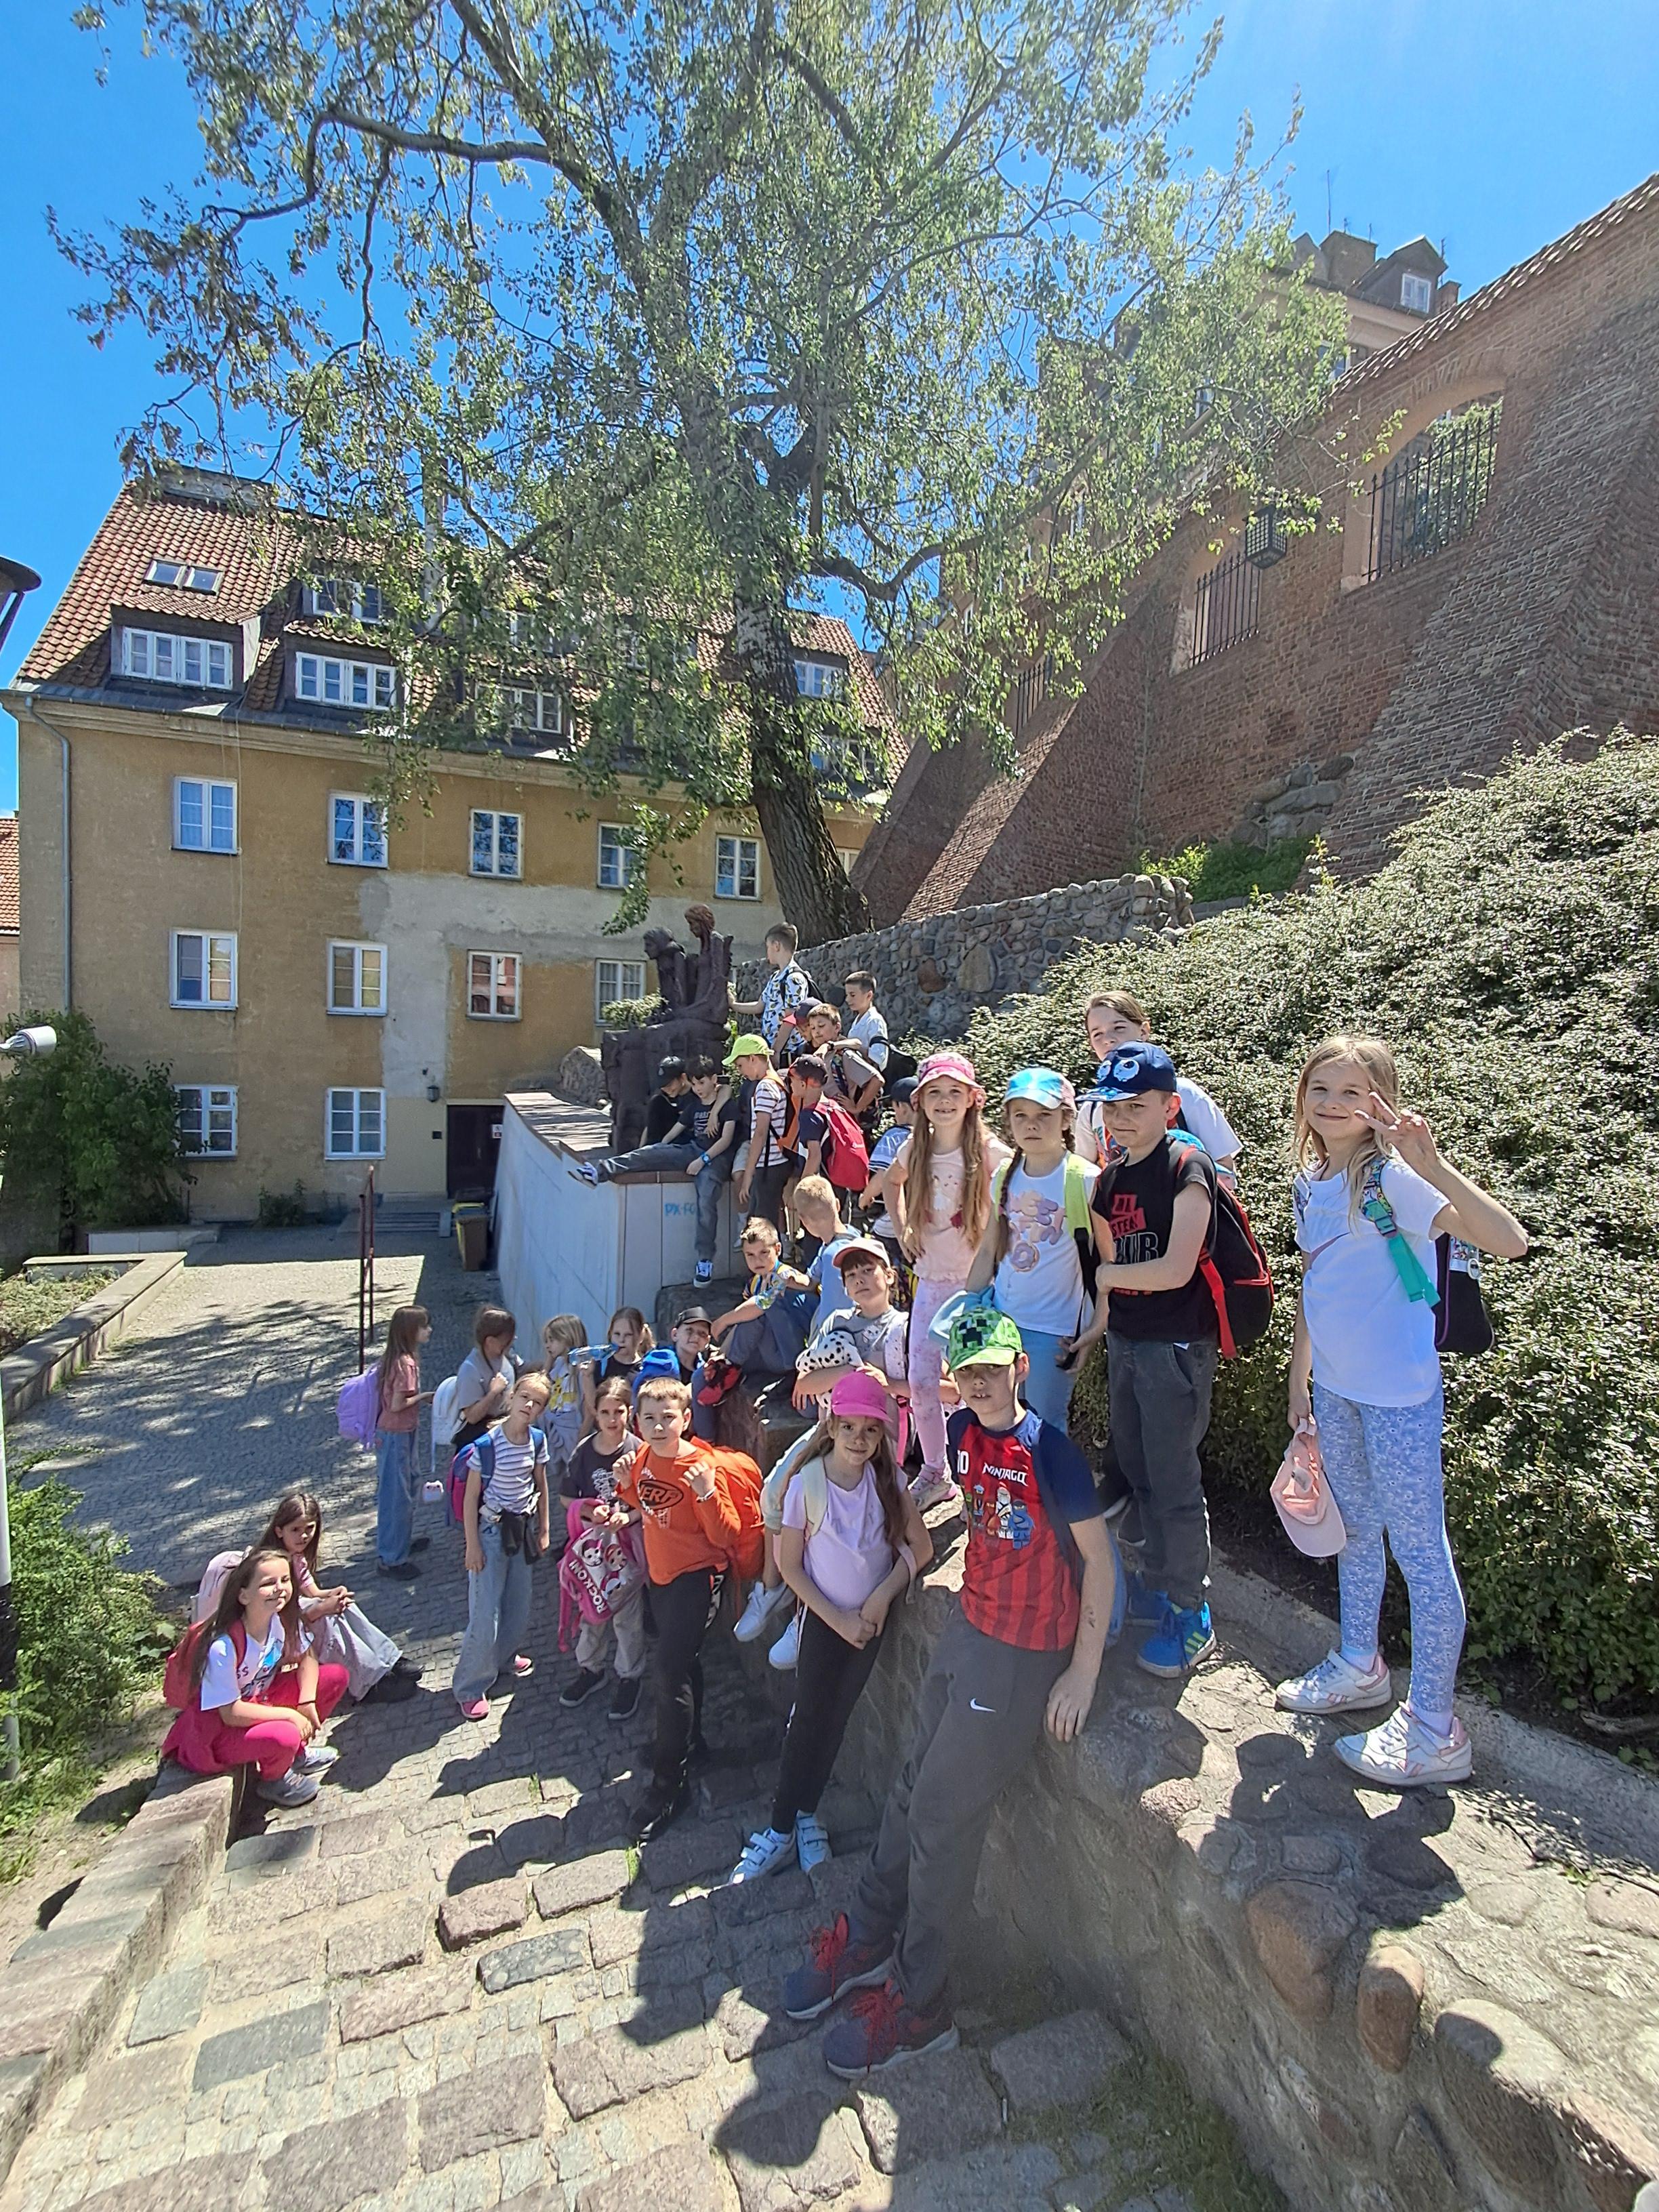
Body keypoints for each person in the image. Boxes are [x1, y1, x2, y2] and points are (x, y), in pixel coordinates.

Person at [780, 1307, 1119, 2075]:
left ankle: (922, 2000)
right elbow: (878, 1394)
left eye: (993, 1368)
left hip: (1021, 1653)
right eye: (968, 1373)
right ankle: (869, 1935)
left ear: (1020, 1368)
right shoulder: (962, 1435)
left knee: (940, 1813)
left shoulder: (1052, 1452)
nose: (981, 1383)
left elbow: (1099, 1561)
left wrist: (1083, 1671)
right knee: (910, 1784)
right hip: (969, 1627)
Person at [1275, 1036, 1526, 1786]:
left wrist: (1432, 1162)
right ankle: (1361, 1663)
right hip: (1338, 1391)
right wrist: (1299, 1375)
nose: (1331, 1104)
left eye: (1351, 1092)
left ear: (1380, 1101)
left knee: (1422, 1554)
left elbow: (1510, 1242)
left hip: (1399, 1399)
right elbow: (1316, 1281)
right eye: (1320, 1088)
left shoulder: (1397, 1179)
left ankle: (1436, 1729)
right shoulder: (1312, 1177)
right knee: (1355, 1530)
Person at [729, 1372, 932, 1884]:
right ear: (832, 1427)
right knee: (808, 1722)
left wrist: (882, 1597)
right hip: (825, 1622)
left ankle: (806, 1813)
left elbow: (921, 1547)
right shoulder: (808, 1484)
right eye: (849, 1428)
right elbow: (790, 1566)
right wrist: (836, 1618)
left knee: (836, 1719)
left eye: (870, 1430)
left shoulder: (889, 1483)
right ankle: (779, 1827)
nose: (859, 1440)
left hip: (868, 1624)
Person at [1063, 1042, 1221, 1677]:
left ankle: (1191, 1611)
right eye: (1111, 1108)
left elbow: (1176, 1268)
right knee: (1138, 1471)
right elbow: (1110, 1271)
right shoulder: (1108, 1180)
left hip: (1176, 1347)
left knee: (1175, 1481)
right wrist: (1094, 1334)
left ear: (1169, 1107)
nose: (1121, 1119)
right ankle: (1159, 1583)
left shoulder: (1188, 1165)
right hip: (1128, 1343)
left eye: (1136, 1106)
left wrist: (1108, 1280)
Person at [612, 1375, 743, 1840]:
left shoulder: (699, 1466)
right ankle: (693, 1743)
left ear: (686, 1420)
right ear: (637, 1422)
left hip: (696, 1579)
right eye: (649, 1418)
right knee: (683, 1665)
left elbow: (726, 1535)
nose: (658, 1426)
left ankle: (669, 1786)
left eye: (668, 1418)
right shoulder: (644, 1459)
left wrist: (706, 1492)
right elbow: (645, 1503)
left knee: (668, 1675)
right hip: (662, 1579)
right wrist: (623, 1487)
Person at [886, 1053, 1010, 1511]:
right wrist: (903, 1229)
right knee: (921, 1380)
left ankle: (984, 1468)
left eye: (955, 1092)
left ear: (972, 1099)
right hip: (932, 1282)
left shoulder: (987, 1150)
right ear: (920, 1100)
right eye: (935, 1092)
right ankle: (937, 1471)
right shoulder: (915, 1148)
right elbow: (891, 1184)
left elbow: (1024, 1179)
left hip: (978, 1288)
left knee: (978, 1382)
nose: (945, 1101)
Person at [163, 1549, 348, 1808]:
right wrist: (290, 1715)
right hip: (220, 1730)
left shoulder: (279, 1620)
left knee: (335, 1677)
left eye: (285, 1580)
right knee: (285, 1733)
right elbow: (231, 1713)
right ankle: (275, 1779)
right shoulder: (223, 1646)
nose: (279, 1589)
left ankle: (294, 1754)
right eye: (268, 1583)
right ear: (243, 1595)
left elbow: (307, 1657)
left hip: (259, 1700)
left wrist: (306, 1703)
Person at [965, 1069, 1097, 1433]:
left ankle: (1050, 1475)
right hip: (1000, 1323)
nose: (1031, 1125)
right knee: (997, 1419)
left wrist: (1093, 1328)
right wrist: (966, 1309)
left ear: (1066, 1120)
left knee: (1045, 1426)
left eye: (1044, 1115)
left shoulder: (1085, 1180)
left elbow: (1103, 1261)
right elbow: (989, 1249)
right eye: (1020, 1115)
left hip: (1054, 1330)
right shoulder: (1004, 1175)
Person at [452, 1371, 553, 1720]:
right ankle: (470, 1686)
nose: (529, 1406)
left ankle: (504, 1658)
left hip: (521, 1531)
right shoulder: (487, 1446)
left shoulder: (537, 1441)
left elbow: (541, 1486)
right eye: (524, 1397)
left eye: (537, 1403)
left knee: (518, 1603)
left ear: (542, 1410)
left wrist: (544, 1529)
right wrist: (472, 1545)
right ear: (511, 1397)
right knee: (486, 1613)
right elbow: (471, 1499)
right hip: (491, 1533)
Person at [1075, 991, 1241, 1183]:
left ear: (1144, 1031)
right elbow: (1084, 1174)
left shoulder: (1185, 1093)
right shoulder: (1092, 1108)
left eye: (1119, 1028)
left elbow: (1224, 1167)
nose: (1108, 1040)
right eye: (1097, 1034)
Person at [558, 1374, 648, 1719]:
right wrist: (588, 1510)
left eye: (619, 1412)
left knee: (627, 1614)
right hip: (593, 1548)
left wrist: (629, 1517)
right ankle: (591, 1668)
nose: (612, 1419)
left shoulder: (639, 1451)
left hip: (627, 1547)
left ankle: (630, 1675)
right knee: (591, 1610)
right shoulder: (584, 1452)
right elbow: (567, 1497)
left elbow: (649, 1501)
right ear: (595, 1413)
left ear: (630, 1412)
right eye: (605, 1412)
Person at [255, 1491, 403, 1701]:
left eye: (309, 1529)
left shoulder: (297, 1557)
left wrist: (334, 1594)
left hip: (295, 1621)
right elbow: (281, 1622)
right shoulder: (269, 1568)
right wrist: (322, 1608)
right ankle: (366, 1683)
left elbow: (314, 1592)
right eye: (295, 1530)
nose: (303, 1536)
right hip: (274, 1641)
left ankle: (388, 1658)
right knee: (326, 1621)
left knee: (344, 1604)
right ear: (279, 1531)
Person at [374, 1304, 432, 1580]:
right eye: (424, 1326)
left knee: (406, 1487)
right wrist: (425, 1397)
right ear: (411, 1331)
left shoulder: (395, 1358)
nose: (429, 1330)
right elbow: (398, 1405)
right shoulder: (406, 1364)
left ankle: (399, 1543)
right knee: (397, 1495)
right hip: (396, 1434)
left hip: (399, 1433)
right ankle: (392, 1558)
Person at [681, 1059, 741, 1284]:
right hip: (694, 1150)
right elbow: (676, 1129)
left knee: (706, 1197)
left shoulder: (727, 1102)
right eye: (694, 1084)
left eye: (701, 1083)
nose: (697, 1088)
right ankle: (602, 1170)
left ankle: (705, 1260)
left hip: (719, 1159)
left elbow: (726, 1089)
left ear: (712, 1080)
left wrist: (703, 1160)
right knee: (656, 1153)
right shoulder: (693, 1102)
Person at [729, 1033, 792, 1231]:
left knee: (762, 1227)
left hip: (768, 1165)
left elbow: (760, 1132)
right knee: (765, 1221)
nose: (741, 1072)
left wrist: (748, 1174)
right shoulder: (777, 1082)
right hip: (776, 1162)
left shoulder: (765, 1087)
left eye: (740, 1065)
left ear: (753, 1059)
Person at [863, 1078, 917, 1284]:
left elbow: (883, 1177)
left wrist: (865, 1197)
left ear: (902, 1107)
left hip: (892, 1227)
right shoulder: (934, 1136)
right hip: (923, 1225)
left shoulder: (895, 1136)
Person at [733, 922, 815, 1056]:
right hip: (772, 1046)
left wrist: (776, 1051)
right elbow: (759, 1006)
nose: (767, 953)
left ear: (777, 946)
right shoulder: (776, 977)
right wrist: (733, 1005)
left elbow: (791, 1017)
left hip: (788, 1051)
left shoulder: (794, 978)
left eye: (768, 947)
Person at [453, 1305, 519, 1456]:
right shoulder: (470, 1369)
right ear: (490, 1341)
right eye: (506, 1339)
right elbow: (472, 1417)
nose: (512, 1340)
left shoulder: (506, 1357)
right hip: (480, 1439)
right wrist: (493, 1393)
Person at [537, 1313, 590, 1496]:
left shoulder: (582, 1369)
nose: (547, 1345)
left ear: (567, 1338)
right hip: (554, 1429)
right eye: (546, 1341)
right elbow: (541, 1385)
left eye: (552, 1340)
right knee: (559, 1482)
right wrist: (549, 1361)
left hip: (572, 1431)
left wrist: (580, 1440)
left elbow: (588, 1408)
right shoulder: (559, 1364)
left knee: (575, 1481)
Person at [794, 1177, 857, 1326]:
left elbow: (833, 1313)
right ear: (838, 1204)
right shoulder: (853, 1234)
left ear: (804, 1221)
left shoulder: (832, 1256)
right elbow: (811, 1280)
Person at [580, 1307, 654, 1427]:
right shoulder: (601, 1364)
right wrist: (587, 1376)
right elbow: (594, 1408)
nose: (621, 1340)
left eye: (628, 1335)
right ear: (610, 1335)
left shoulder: (647, 1368)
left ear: (640, 1336)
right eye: (617, 1334)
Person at [842, 971, 890, 1080]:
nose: (848, 1000)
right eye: (847, 995)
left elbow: (878, 1057)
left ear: (869, 995)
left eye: (853, 995)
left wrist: (852, 1046)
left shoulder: (875, 1021)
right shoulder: (858, 1020)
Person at [643, 1055, 692, 1143]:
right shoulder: (663, 1099)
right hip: (665, 1141)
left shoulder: (698, 1092)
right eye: (663, 1086)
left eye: (669, 1085)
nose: (667, 1090)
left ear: (683, 1078)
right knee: (656, 1101)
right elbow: (649, 1127)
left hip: (689, 1141)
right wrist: (641, 1149)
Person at [668, 1305, 714, 1383]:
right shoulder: (660, 1364)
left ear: (707, 1341)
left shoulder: (707, 1372)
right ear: (675, 1335)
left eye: (702, 1334)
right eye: (689, 1331)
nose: (696, 1337)